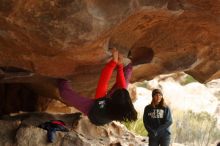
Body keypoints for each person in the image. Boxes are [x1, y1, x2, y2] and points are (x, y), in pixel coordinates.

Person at [57, 48, 137, 126]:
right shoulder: (122, 104)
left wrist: (113, 62)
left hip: (94, 113)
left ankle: (62, 82)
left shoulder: (100, 106)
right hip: (110, 108)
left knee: (64, 93)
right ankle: (129, 66)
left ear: (111, 99)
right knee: (125, 80)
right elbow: (122, 87)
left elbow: (103, 83)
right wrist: (120, 66)